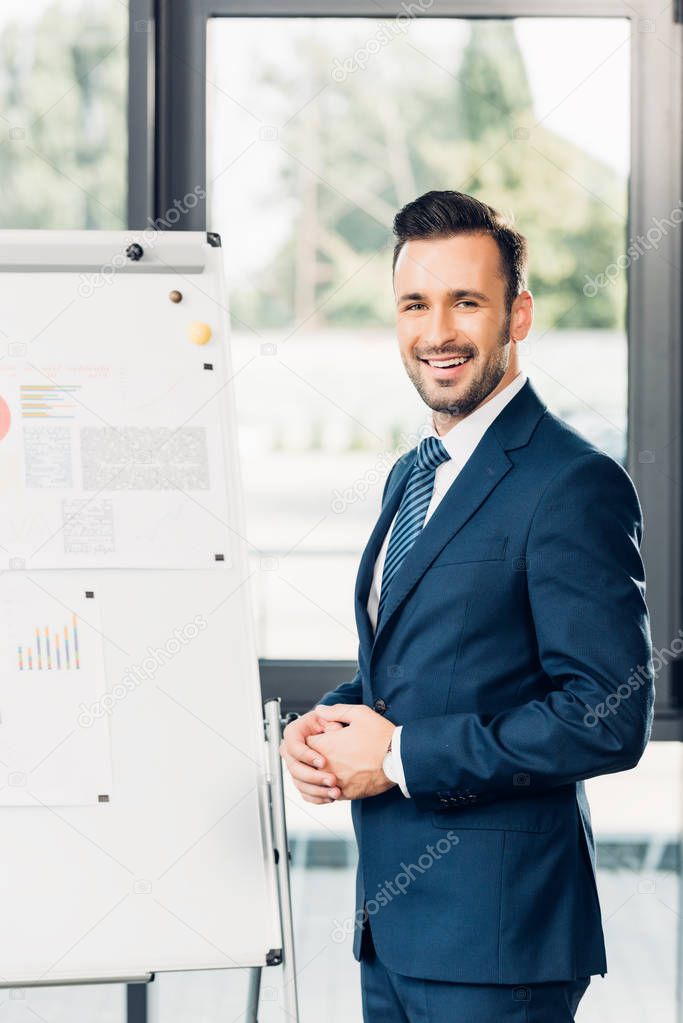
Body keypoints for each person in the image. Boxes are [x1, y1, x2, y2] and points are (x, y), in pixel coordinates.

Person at [280, 189, 655, 1022]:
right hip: (395, 931)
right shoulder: (412, 474)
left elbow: (605, 715)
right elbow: (425, 663)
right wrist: (329, 725)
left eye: (466, 302)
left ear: (516, 314)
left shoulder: (570, 482)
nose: (437, 330)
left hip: (499, 944)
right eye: (415, 303)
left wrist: (403, 755)